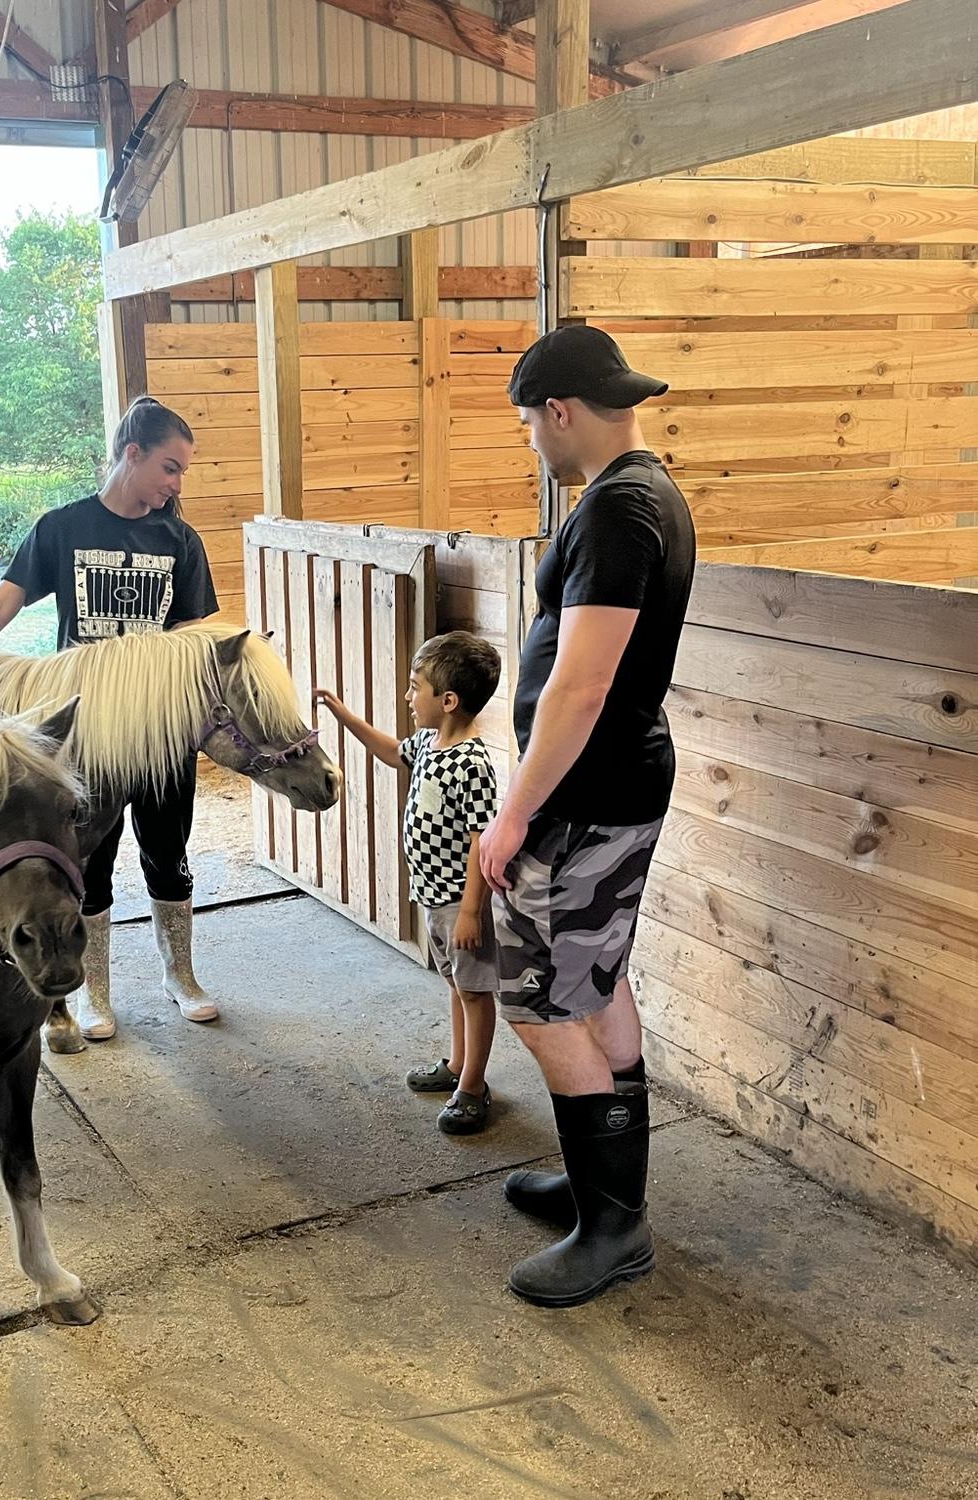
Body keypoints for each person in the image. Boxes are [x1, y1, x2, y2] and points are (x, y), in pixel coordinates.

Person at [477, 324, 696, 1308]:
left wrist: (515, 812)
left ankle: (614, 1231)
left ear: (560, 410)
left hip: (581, 801)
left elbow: (582, 682)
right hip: (611, 789)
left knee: (538, 998)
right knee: (594, 982)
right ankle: (602, 1181)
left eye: (530, 423)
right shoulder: (646, 494)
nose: (532, 441)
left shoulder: (617, 510)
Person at [0, 395, 221, 1042]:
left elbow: (191, 641)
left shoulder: (179, 540)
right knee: (87, 864)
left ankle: (179, 977)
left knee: (169, 855)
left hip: (155, 735)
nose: (175, 483)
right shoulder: (63, 528)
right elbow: (1, 606)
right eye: (170, 467)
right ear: (133, 454)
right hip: (82, 735)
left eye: (180, 471)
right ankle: (94, 993)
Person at [316, 631, 503, 1135]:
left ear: (447, 701)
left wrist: (469, 910)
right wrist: (343, 715)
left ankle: (474, 1086)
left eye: (414, 687)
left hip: (458, 903)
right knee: (454, 983)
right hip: (431, 893)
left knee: (475, 990)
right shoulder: (427, 744)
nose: (407, 697)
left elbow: (482, 838)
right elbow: (387, 749)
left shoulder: (472, 762)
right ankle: (457, 1064)